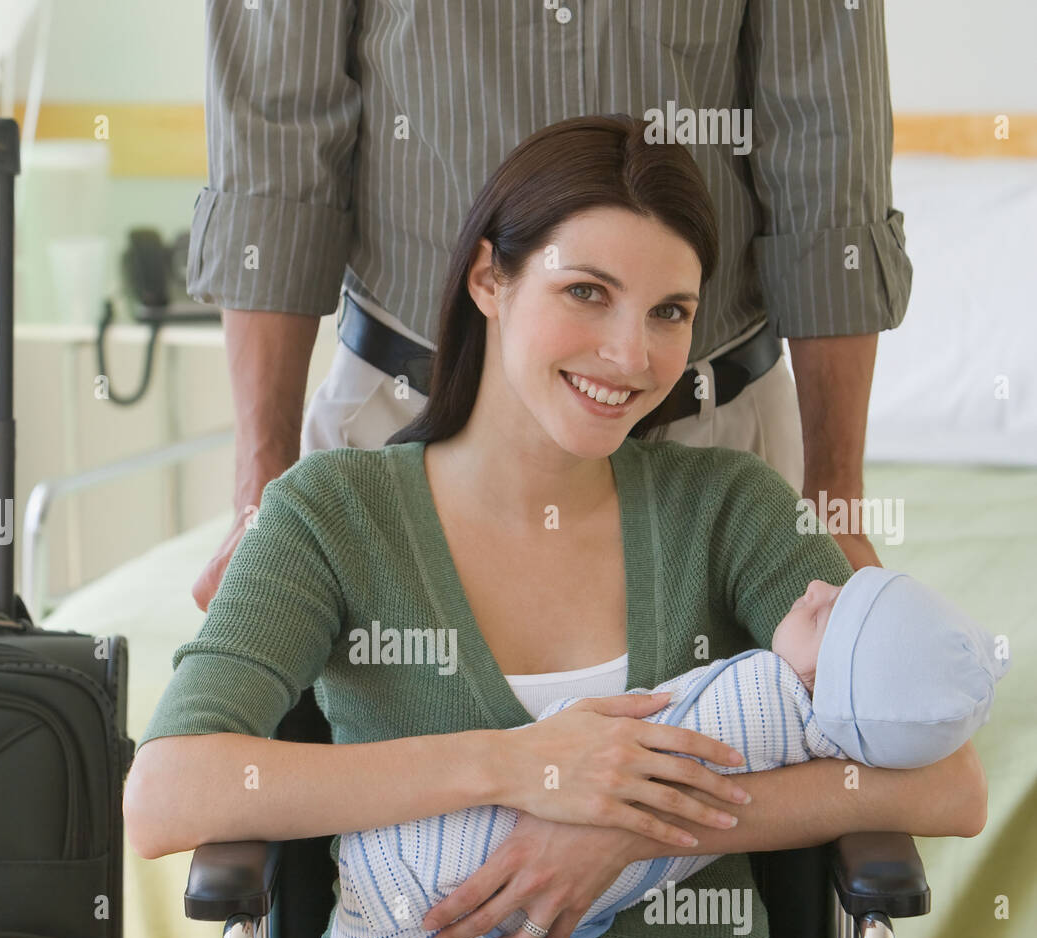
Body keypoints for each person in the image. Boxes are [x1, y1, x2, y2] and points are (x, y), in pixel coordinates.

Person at [124, 117, 985, 938]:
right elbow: (167, 790)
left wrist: (631, 820)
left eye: (671, 313)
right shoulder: (332, 514)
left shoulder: (724, 505)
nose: (630, 353)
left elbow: (944, 777)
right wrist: (516, 766)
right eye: (587, 292)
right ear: (489, 275)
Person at [187, 0, 913, 610]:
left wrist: (834, 495)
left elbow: (828, 147)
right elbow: (272, 154)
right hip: (399, 429)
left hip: (706, 441)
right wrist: (260, 491)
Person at [325, 568, 1009, 938]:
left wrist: (626, 824)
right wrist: (519, 766)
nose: (815, 584)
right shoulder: (802, 693)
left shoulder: (772, 698)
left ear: (830, 677)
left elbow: (959, 793)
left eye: (835, 609)